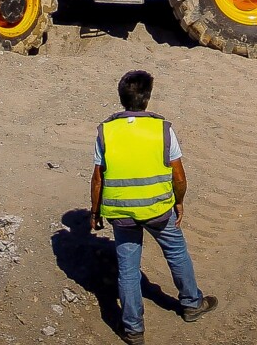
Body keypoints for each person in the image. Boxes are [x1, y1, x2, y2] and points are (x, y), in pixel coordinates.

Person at [91, 70, 218, 342]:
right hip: (159, 210)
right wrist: (179, 202)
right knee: (177, 253)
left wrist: (95, 211)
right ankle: (192, 304)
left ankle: (133, 329)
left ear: (121, 97)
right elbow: (179, 176)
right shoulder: (163, 129)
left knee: (128, 270)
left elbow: (98, 178)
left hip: (121, 213)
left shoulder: (106, 131)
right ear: (147, 98)